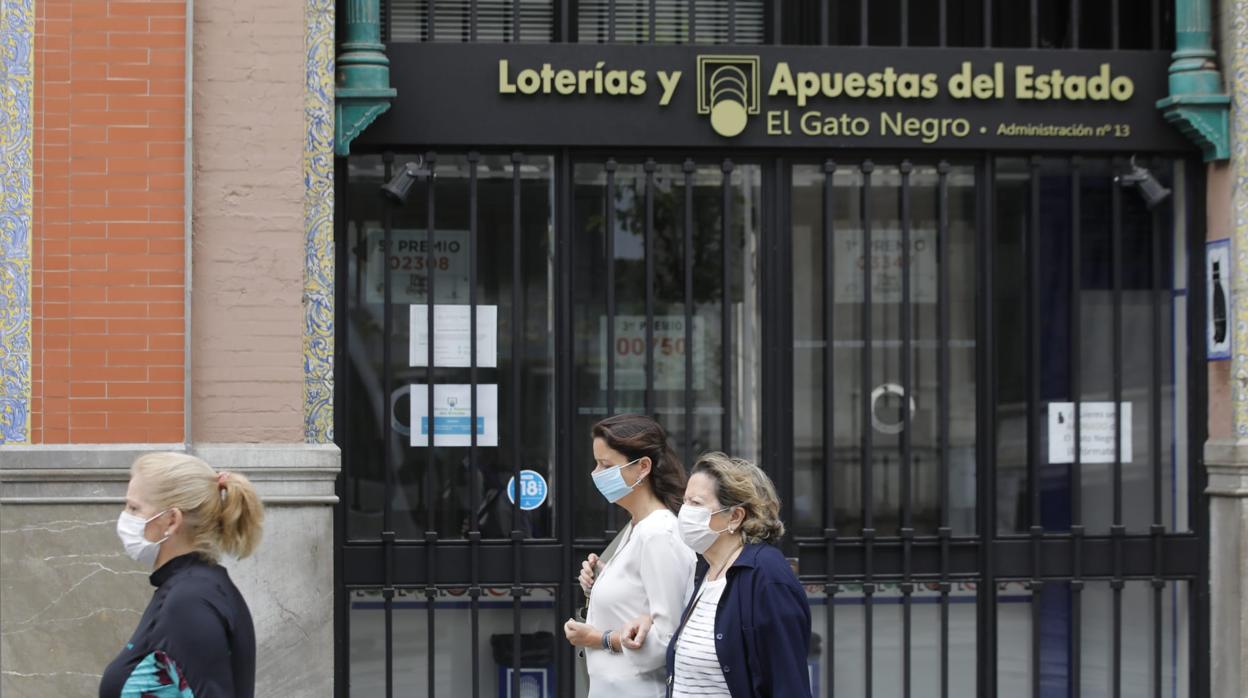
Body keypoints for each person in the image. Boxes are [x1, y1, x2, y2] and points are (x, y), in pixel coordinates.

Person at [99, 453, 264, 698]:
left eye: (134, 508)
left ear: (171, 520)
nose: (125, 517)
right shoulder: (191, 588)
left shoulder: (189, 602)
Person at [654, 452, 812, 698]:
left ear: (735, 516)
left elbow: (787, 682)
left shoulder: (766, 575)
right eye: (685, 502)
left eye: (695, 503)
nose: (684, 512)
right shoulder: (709, 571)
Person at [563, 414, 697, 697]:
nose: (597, 473)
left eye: (606, 465)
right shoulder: (636, 527)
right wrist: (600, 577)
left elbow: (666, 637)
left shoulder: (658, 534)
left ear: (643, 467)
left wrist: (599, 638)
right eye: (597, 463)